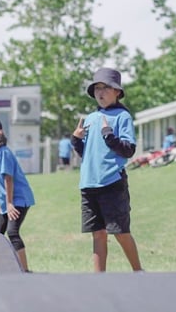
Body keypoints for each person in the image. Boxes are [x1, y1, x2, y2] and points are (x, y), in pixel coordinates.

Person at [71, 67, 142, 272]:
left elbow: (128, 150)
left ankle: (139, 271)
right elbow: (87, 153)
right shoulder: (92, 118)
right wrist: (76, 139)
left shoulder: (122, 116)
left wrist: (110, 136)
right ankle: (99, 279)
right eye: (97, 89)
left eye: (106, 88)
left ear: (117, 92)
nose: (100, 93)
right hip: (88, 184)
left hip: (112, 183)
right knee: (98, 233)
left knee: (120, 232)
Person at [0, 117, 35, 272]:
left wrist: (9, 204)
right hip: (7, 202)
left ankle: (25, 271)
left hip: (18, 200)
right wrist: (0, 202)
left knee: (12, 232)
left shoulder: (3, 153)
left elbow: (8, 178)